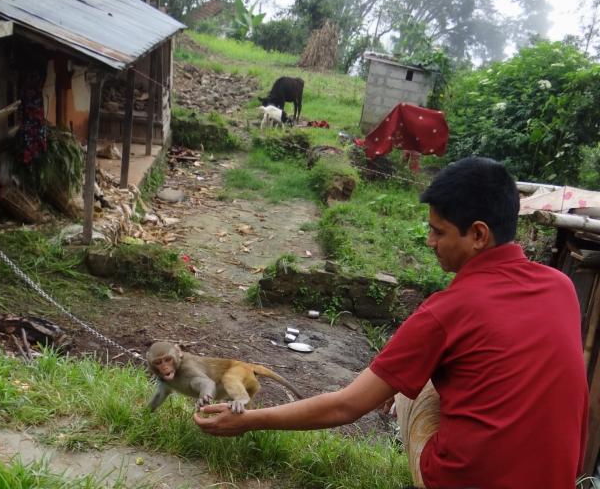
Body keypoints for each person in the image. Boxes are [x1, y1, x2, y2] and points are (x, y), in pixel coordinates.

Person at [194, 157, 589, 488]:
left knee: (408, 389)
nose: (430, 241)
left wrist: (247, 422)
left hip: (462, 480)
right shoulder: (562, 288)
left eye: (438, 231)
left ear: (479, 235)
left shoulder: (445, 311)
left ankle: (398, 396)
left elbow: (345, 407)